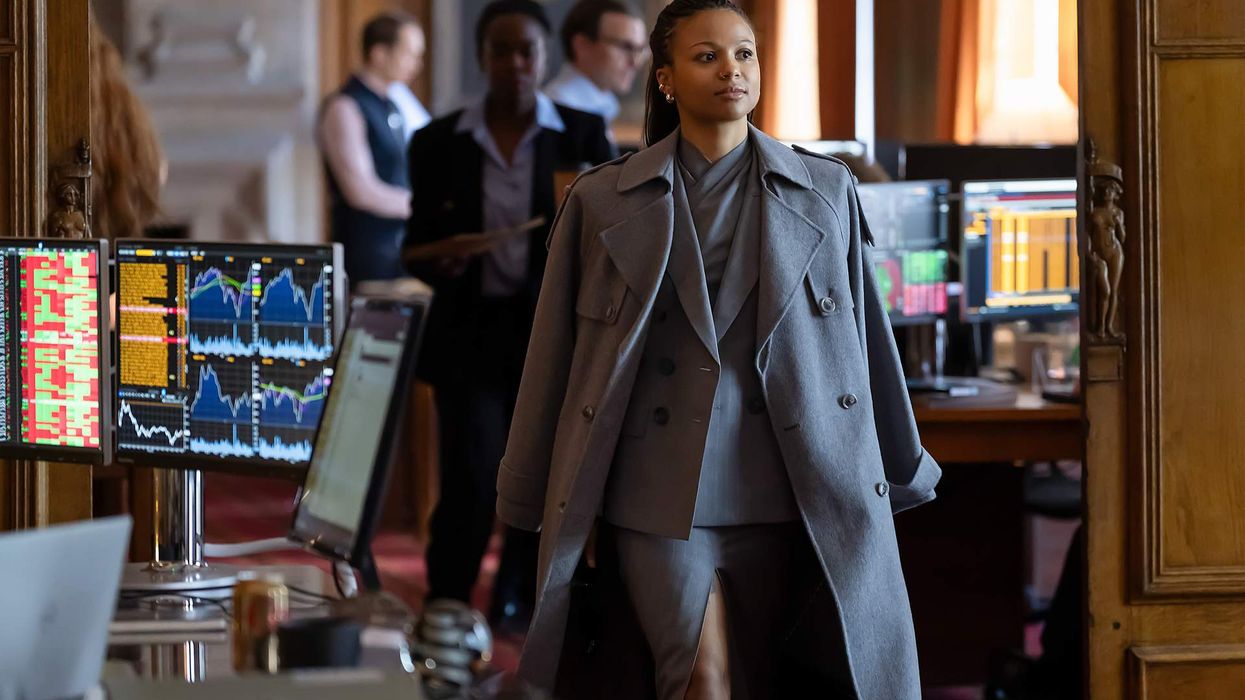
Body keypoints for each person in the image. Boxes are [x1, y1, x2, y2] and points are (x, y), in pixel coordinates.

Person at [495, 1, 942, 698]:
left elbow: (862, 343)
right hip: (656, 492)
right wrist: (527, 495)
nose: (731, 70)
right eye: (706, 57)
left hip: (791, 481)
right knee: (700, 678)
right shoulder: (602, 200)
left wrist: (898, 465)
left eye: (744, 54)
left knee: (767, 677)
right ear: (666, 79)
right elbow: (554, 359)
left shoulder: (823, 189)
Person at [402, 0, 614, 635]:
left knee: (542, 474)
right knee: (471, 474)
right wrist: (445, 262)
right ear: (482, 58)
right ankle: (447, 598)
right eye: (502, 51)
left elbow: (606, 241)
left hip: (550, 336)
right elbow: (416, 242)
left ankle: (517, 600)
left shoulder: (581, 136)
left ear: (544, 58)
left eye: (527, 51)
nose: (516, 64)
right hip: (468, 333)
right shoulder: (436, 142)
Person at [319, 12, 424, 286]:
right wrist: (420, 205)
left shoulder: (394, 105)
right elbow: (360, 190)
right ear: (379, 53)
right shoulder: (345, 107)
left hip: (401, 259)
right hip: (368, 264)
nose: (417, 64)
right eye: (409, 54)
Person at [544, 0, 647, 134]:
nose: (635, 62)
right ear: (582, 45)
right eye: (625, 47)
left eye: (640, 50)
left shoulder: (603, 105)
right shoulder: (559, 111)